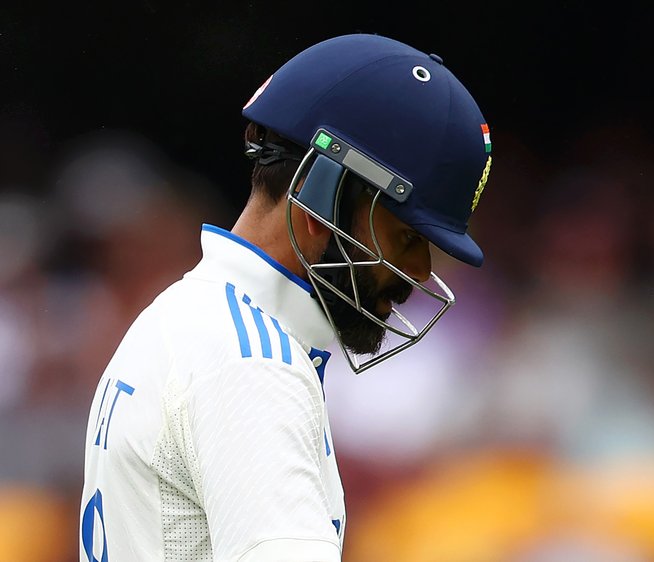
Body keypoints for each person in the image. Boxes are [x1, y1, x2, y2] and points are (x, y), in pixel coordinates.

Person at [79, 32, 493, 561]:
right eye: (408, 238)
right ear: (319, 196)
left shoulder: (186, 318)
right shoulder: (251, 362)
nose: (418, 273)